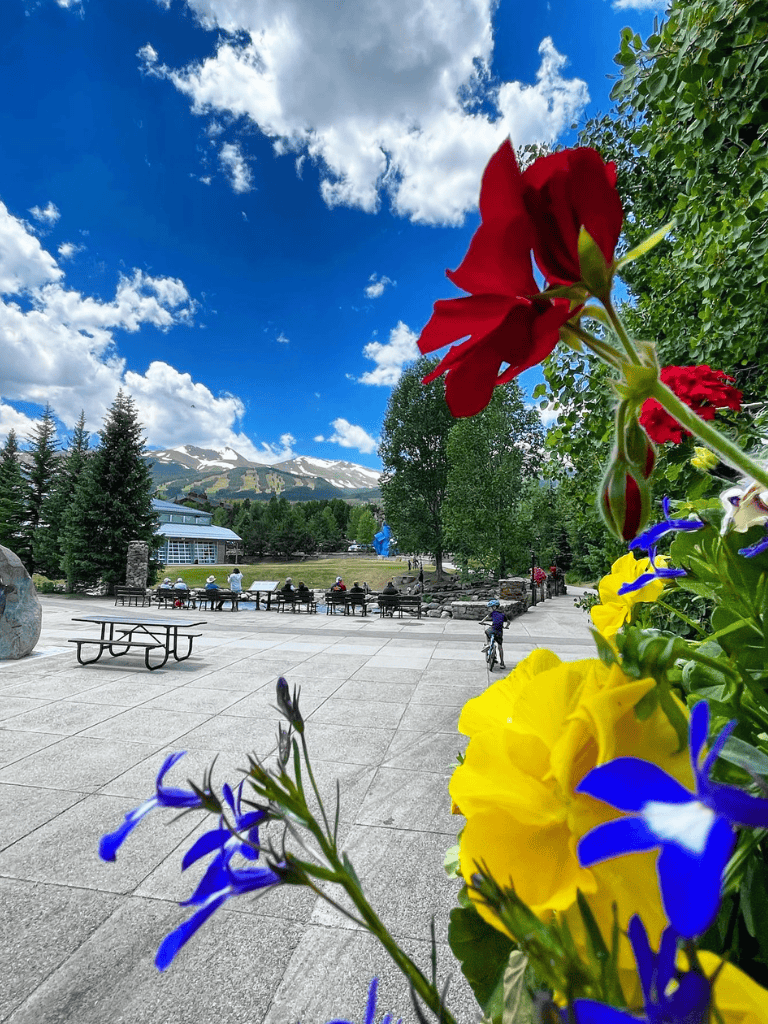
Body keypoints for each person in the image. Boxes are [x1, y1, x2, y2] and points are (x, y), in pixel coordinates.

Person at [480, 599, 510, 669]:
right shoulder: (503, 614)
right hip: (499, 632)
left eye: (490, 608)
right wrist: (506, 626)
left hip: (493, 629)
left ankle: (487, 645)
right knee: (500, 647)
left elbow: (486, 617)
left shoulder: (492, 613)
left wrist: (482, 622)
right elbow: (508, 622)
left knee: (486, 633)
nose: (489, 609)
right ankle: (502, 663)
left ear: (494, 607)